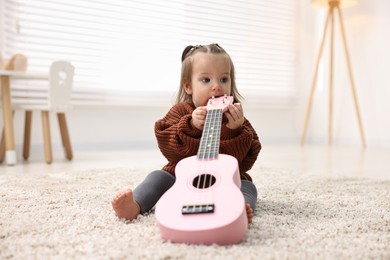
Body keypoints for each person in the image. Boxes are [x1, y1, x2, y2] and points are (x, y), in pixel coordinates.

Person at [112, 43, 261, 223]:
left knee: (247, 187)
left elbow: (246, 160)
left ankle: (239, 210)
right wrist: (190, 125)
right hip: (179, 178)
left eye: (223, 79)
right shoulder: (181, 112)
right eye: (206, 80)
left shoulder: (236, 119)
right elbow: (167, 144)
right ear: (188, 86)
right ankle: (135, 205)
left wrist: (235, 131)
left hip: (224, 180)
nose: (216, 87)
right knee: (157, 178)